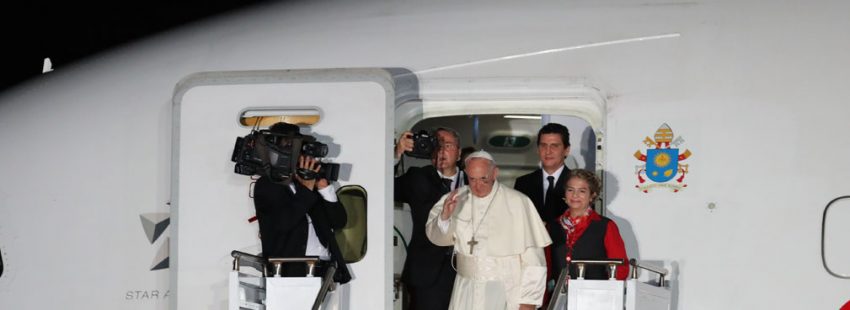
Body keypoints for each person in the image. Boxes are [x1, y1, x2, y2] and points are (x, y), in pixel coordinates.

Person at [426, 150, 551, 310]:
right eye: (472, 179)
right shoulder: (455, 198)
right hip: (465, 288)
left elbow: (535, 261)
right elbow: (436, 238)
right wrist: (444, 217)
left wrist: (528, 302)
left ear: (494, 173)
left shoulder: (518, 202)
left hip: (505, 290)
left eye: (483, 179)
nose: (477, 186)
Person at [252, 122, 351, 283]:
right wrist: (306, 189)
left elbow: (339, 222)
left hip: (323, 268)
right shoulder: (267, 185)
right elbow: (283, 223)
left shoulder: (307, 184)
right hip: (289, 271)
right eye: (291, 146)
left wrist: (325, 189)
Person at [394, 128, 463, 309]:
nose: (442, 150)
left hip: (466, 273)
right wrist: (396, 153)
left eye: (447, 145)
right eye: (437, 145)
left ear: (459, 152)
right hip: (427, 273)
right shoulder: (417, 177)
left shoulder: (474, 181)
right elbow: (385, 186)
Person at [513, 123, 572, 283]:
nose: (548, 151)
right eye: (544, 145)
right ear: (538, 149)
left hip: (566, 265)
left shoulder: (578, 183)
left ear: (566, 150)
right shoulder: (523, 183)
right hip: (531, 265)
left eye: (555, 146)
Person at [557, 169, 628, 280]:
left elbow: (621, 268)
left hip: (594, 294)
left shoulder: (606, 226)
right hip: (558, 294)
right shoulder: (553, 226)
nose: (575, 195)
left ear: (592, 195)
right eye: (570, 190)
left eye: (582, 191)